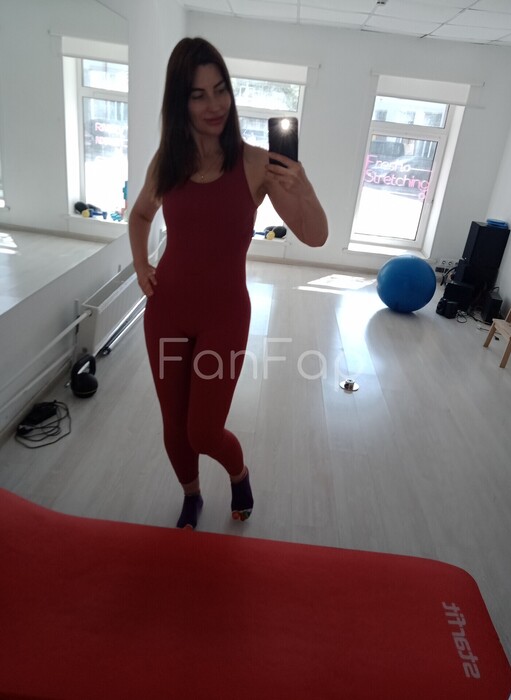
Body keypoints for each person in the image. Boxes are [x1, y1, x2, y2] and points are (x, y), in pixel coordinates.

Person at [129, 37, 328, 530]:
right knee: (174, 426)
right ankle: (192, 495)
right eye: (198, 95)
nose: (214, 104)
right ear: (180, 102)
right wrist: (140, 263)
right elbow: (140, 215)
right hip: (166, 312)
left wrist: (304, 188)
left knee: (203, 430)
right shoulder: (167, 163)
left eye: (220, 90)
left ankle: (239, 474)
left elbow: (316, 236)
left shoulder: (257, 164)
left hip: (224, 317)